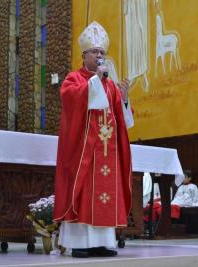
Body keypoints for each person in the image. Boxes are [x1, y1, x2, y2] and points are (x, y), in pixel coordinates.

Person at [53, 21, 134, 258]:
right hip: (83, 151)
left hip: (107, 152)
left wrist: (125, 98)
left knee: (104, 196)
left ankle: (101, 243)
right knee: (85, 192)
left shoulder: (110, 86)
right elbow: (71, 101)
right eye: (95, 52)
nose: (99, 56)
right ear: (84, 55)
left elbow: (123, 120)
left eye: (102, 52)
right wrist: (95, 81)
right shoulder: (74, 79)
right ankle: (79, 243)